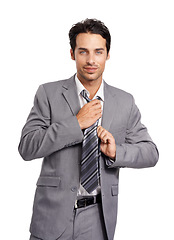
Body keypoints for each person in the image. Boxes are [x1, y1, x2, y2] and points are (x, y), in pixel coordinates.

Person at [18, 18, 159, 240]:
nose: (91, 60)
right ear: (72, 54)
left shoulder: (124, 101)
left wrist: (116, 152)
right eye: (83, 52)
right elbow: (27, 147)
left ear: (108, 54)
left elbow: (151, 152)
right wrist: (75, 124)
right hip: (52, 217)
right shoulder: (48, 93)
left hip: (98, 219)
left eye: (98, 52)